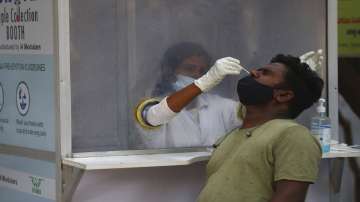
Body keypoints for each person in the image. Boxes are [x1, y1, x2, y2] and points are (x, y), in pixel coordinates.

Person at [136, 52, 324, 201]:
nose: (253, 72)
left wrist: (301, 82)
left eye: (265, 73)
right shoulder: (236, 135)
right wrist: (204, 82)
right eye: (189, 68)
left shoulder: (293, 136)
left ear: (283, 96)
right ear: (170, 70)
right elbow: (154, 115)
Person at [135, 42, 242, 148]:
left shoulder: (220, 105)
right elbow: (157, 115)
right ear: (170, 73)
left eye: (202, 71)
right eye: (189, 69)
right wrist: (204, 82)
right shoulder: (151, 106)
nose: (197, 75)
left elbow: (249, 115)